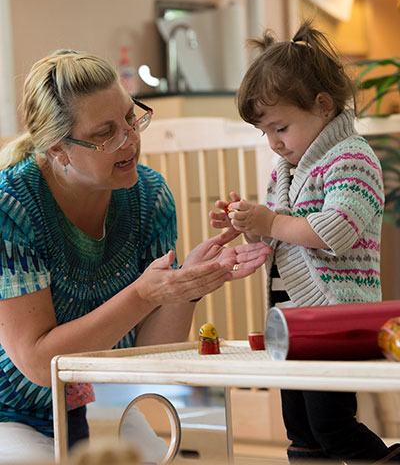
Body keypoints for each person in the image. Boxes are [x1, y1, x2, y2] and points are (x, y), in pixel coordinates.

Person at [0, 50, 272, 463]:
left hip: (101, 405)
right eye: (107, 132)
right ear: (59, 149)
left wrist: (186, 286)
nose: (130, 138)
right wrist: (143, 295)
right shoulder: (11, 207)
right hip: (11, 414)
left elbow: (149, 352)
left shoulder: (150, 196)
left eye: (131, 118)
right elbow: (40, 364)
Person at [210, 21, 400, 463]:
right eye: (266, 133)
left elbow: (334, 231)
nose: (274, 144)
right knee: (300, 430)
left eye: (280, 128)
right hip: (292, 320)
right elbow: (284, 234)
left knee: (332, 423)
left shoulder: (352, 158)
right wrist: (248, 224)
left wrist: (270, 222)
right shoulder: (288, 170)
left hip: (335, 315)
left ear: (323, 105)